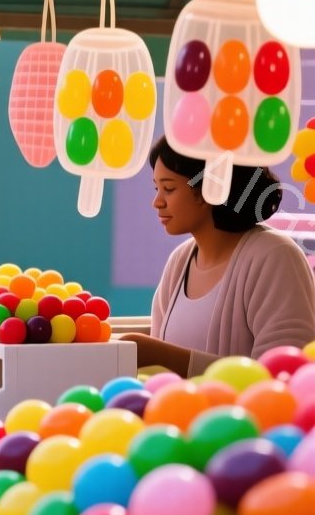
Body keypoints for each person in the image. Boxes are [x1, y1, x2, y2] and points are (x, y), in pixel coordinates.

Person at [123, 139, 315, 376]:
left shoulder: (275, 256)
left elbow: (282, 376)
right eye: (156, 189)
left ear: (210, 187)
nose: (157, 202)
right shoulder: (179, 261)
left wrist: (164, 356)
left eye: (169, 189)